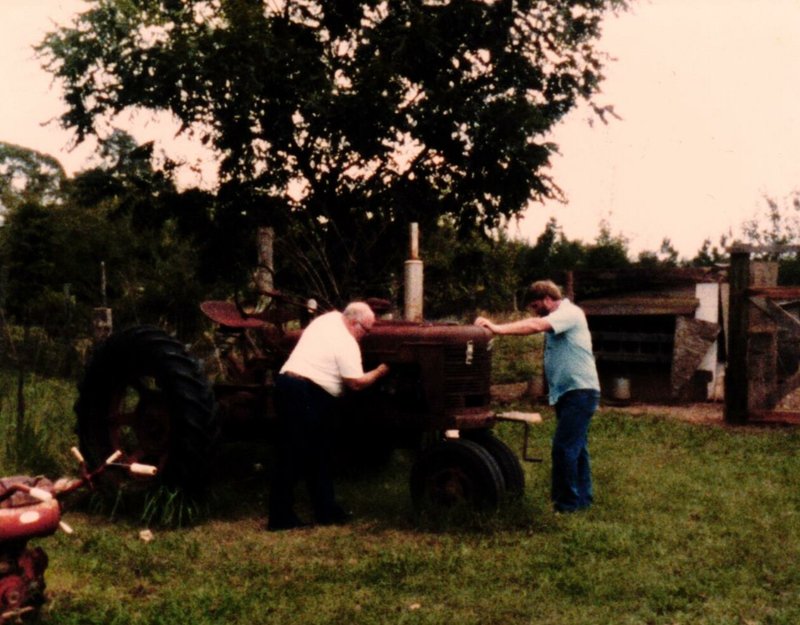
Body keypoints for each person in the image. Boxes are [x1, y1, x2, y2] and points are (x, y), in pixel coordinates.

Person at [474, 280, 600, 513]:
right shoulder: (562, 315)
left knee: (563, 449)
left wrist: (498, 328)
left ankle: (566, 506)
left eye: (535, 305)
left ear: (547, 300)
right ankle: (581, 501)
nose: (534, 311)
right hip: (571, 392)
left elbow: (534, 325)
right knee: (577, 448)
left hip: (580, 392)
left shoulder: (569, 313)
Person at [267, 301, 390, 530]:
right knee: (294, 455)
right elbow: (355, 383)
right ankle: (280, 517)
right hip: (304, 392)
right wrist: (381, 371)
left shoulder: (329, 319)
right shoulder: (347, 343)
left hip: (290, 385)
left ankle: (326, 510)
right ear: (354, 323)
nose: (366, 335)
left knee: (319, 454)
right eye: (366, 330)